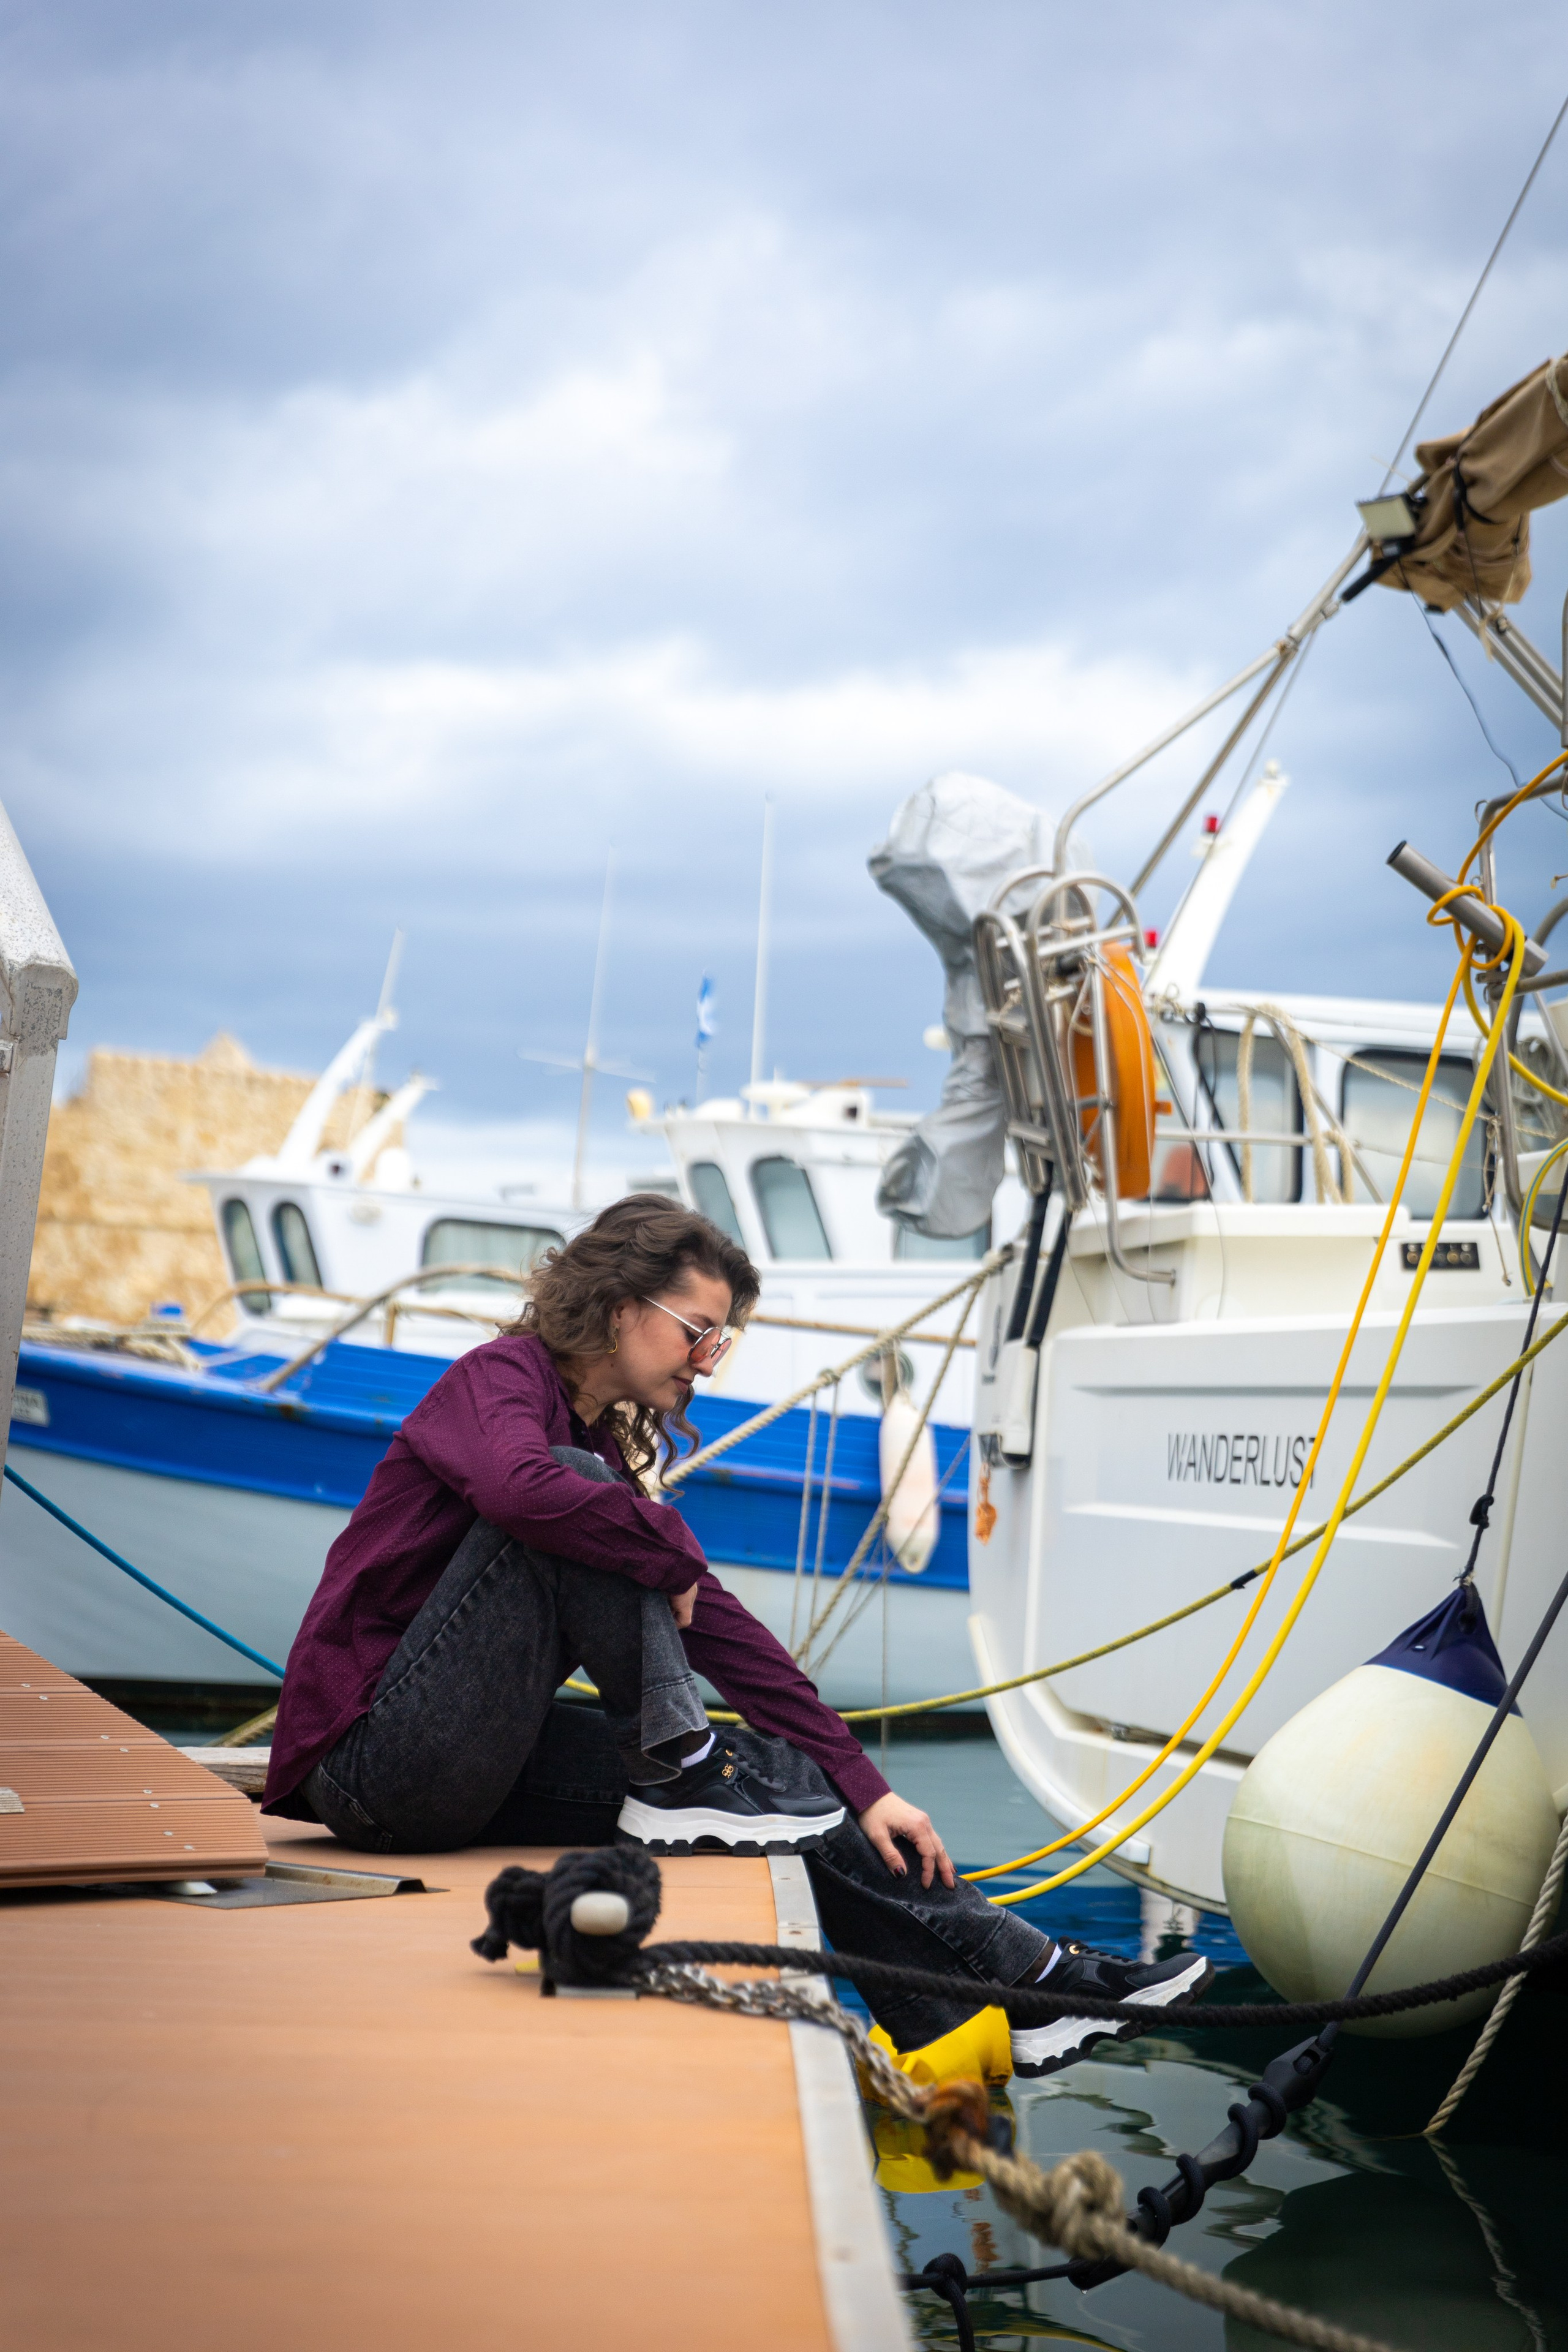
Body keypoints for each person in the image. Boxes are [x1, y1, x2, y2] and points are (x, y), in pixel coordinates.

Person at [263, 1193, 1208, 2076]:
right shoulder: (497, 1385)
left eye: (722, 1340)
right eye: (696, 1331)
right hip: (372, 1765)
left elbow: (721, 1629)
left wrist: (866, 1786)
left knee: (780, 1784)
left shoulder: (594, 1458)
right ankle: (684, 1768)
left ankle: (1005, 1991)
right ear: (621, 1304)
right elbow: (523, 1493)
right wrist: (663, 1539)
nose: (707, 1360)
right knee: (575, 1494)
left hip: (465, 1770)